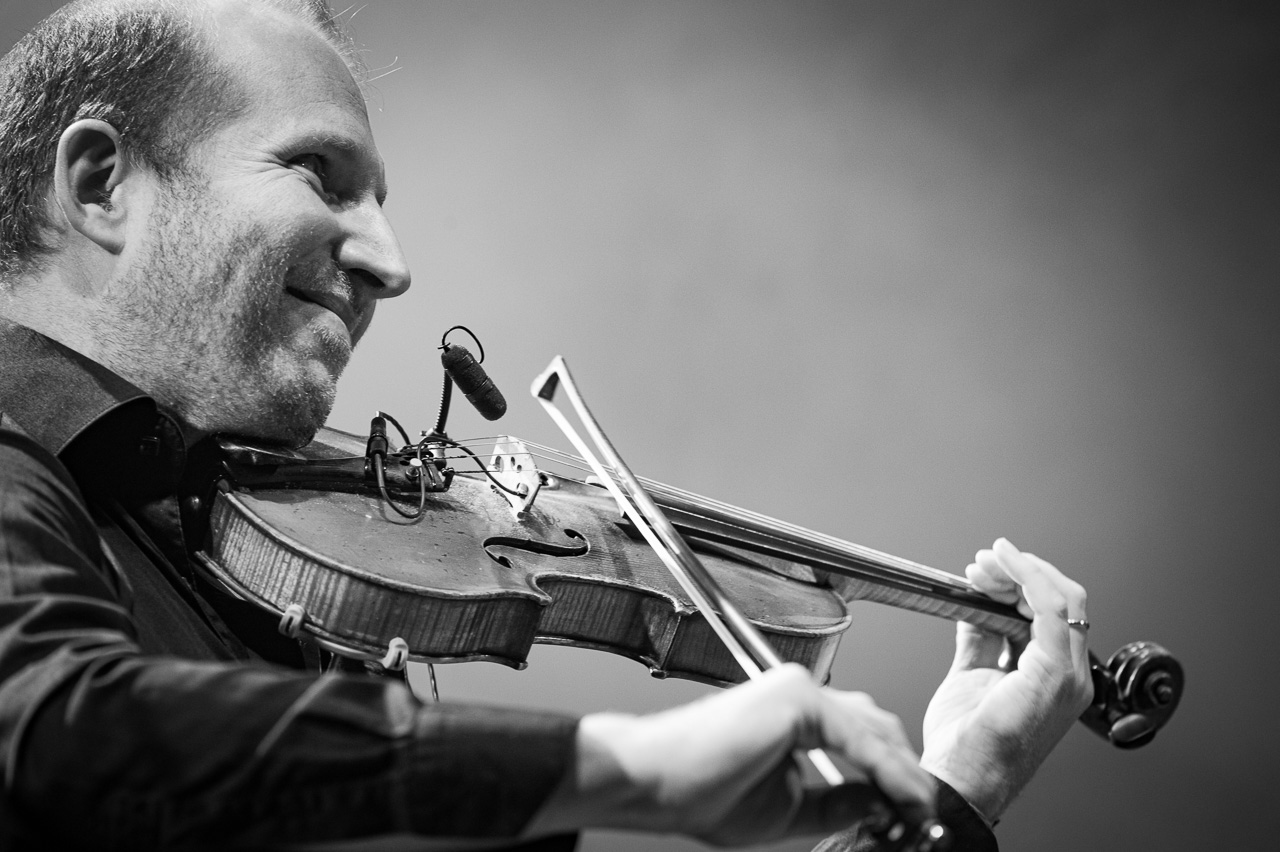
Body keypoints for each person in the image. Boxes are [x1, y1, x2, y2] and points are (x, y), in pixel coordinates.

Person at [0, 1, 1094, 849]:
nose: (391, 261)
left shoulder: (289, 613)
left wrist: (952, 791)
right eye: (319, 174)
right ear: (102, 186)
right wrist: (627, 767)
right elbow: (53, 734)